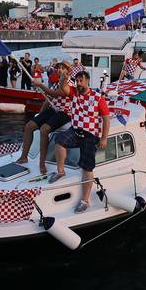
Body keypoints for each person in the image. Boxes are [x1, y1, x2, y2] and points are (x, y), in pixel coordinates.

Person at [48, 71, 110, 213]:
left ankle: (85, 201)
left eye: (81, 80)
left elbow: (106, 118)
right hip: (75, 131)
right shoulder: (74, 93)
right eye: (77, 80)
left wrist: (104, 138)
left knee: (87, 168)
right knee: (59, 140)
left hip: (90, 136)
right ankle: (60, 171)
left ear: (88, 81)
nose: (79, 83)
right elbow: (64, 88)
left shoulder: (98, 98)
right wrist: (64, 78)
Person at [19, 62, 73, 174]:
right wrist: (39, 115)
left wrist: (40, 85)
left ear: (68, 71)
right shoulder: (55, 83)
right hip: (53, 110)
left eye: (63, 68)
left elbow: (55, 94)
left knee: (44, 129)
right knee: (29, 126)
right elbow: (47, 100)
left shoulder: (70, 84)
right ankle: (24, 156)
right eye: (58, 68)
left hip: (64, 113)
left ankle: (42, 162)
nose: (59, 70)